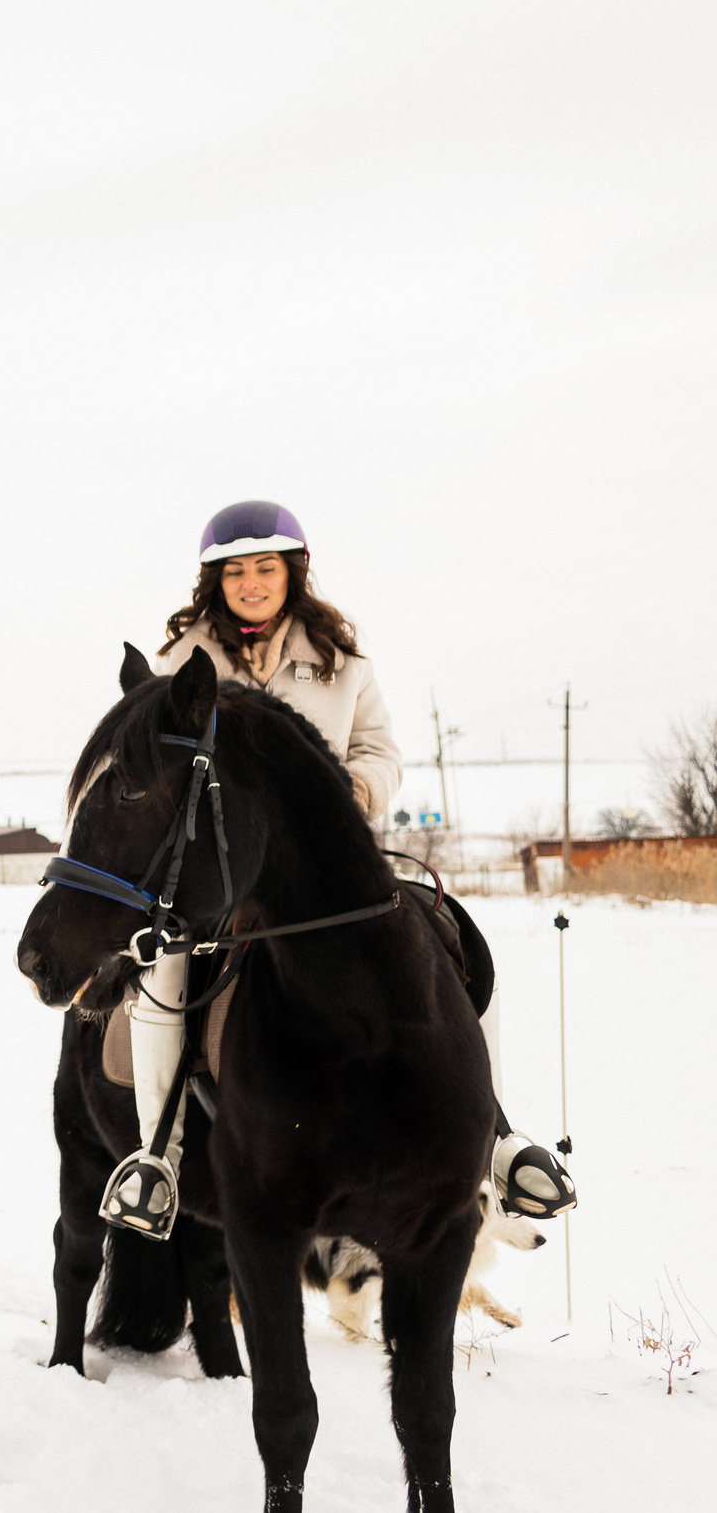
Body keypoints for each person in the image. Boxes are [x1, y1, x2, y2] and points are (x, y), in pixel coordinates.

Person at [98, 499, 575, 1239]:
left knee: (455, 939)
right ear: (214, 581)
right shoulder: (180, 666)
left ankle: (499, 1142)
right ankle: (158, 1154)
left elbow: (383, 752)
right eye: (235, 572)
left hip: (332, 862)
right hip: (230, 872)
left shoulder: (346, 665)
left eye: (265, 568)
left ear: (292, 573)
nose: (251, 583)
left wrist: (353, 791)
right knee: (168, 967)